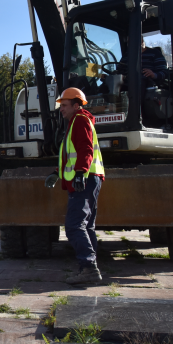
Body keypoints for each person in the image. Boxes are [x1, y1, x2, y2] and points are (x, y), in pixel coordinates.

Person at [54, 87, 105, 285]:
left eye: (65, 106)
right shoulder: (78, 121)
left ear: (76, 105)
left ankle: (88, 267)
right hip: (91, 177)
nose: (61, 109)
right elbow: (71, 155)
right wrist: (56, 172)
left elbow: (85, 149)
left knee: (74, 225)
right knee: (87, 226)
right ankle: (90, 267)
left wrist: (81, 173)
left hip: (85, 178)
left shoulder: (80, 120)